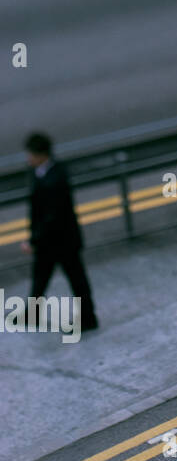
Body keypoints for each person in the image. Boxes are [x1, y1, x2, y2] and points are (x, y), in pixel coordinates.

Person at [22, 131, 98, 331]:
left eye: (30, 154)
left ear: (40, 155)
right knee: (42, 279)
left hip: (61, 241)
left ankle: (88, 318)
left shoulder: (54, 178)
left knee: (75, 279)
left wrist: (33, 240)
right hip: (52, 241)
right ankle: (32, 315)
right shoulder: (45, 173)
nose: (28, 158)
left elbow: (51, 217)